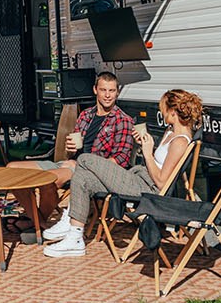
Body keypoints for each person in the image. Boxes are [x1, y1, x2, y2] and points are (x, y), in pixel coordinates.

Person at [41, 87, 202, 258]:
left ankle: (70, 220)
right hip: (138, 177)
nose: (162, 113)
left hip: (148, 189)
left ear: (173, 111)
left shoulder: (180, 142)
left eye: (164, 109)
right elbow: (158, 163)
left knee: (85, 159)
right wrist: (144, 145)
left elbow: (162, 183)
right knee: (84, 178)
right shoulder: (170, 132)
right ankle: (75, 236)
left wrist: (147, 153)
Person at [14, 70, 138, 222]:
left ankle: (35, 225)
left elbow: (121, 160)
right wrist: (69, 149)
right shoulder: (85, 115)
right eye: (103, 90)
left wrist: (84, 164)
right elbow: (71, 152)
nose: (107, 95)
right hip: (70, 164)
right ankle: (37, 221)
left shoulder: (123, 120)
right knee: (12, 170)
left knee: (50, 181)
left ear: (117, 93)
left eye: (112, 91)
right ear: (95, 90)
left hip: (90, 172)